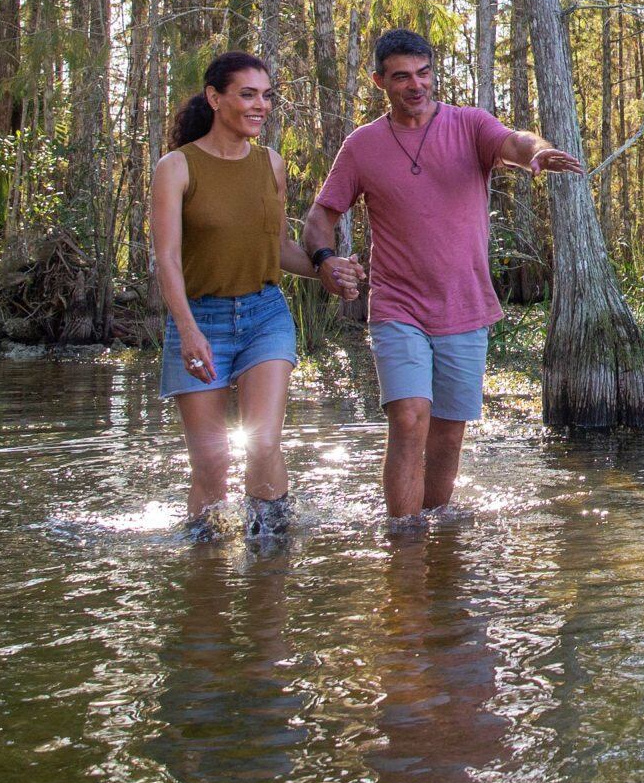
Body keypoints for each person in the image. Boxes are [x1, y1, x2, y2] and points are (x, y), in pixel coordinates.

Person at [303, 28, 583, 520]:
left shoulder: (470, 125)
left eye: (424, 73)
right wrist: (326, 261)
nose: (416, 85)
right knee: (410, 420)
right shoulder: (362, 146)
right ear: (379, 82)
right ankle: (404, 542)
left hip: (465, 305)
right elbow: (319, 217)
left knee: (449, 434)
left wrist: (536, 152)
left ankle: (433, 533)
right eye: (402, 77)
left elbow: (514, 141)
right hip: (396, 306)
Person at [150, 52, 361, 541]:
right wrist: (187, 330)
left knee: (263, 441)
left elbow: (278, 247)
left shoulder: (272, 164)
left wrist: (325, 269)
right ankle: (206, 565)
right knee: (212, 460)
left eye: (266, 95)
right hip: (200, 319)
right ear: (215, 98)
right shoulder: (177, 167)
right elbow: (167, 259)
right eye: (247, 94)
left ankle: (270, 555)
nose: (260, 105)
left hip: (266, 314)